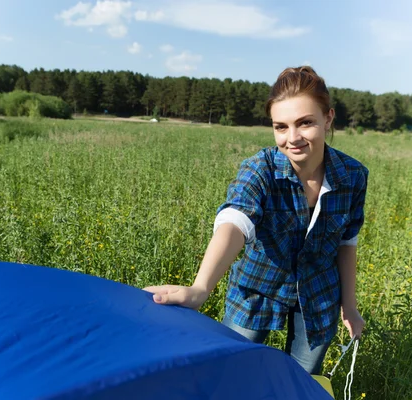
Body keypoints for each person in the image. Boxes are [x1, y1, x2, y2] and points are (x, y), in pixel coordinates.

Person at [143, 66, 368, 375]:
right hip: (256, 291)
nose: (292, 138)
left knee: (301, 381)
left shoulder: (353, 176)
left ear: (328, 118)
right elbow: (235, 221)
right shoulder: (259, 169)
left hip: (318, 295)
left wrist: (350, 306)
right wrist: (201, 288)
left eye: (305, 123)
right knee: (233, 372)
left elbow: (347, 242)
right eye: (281, 126)